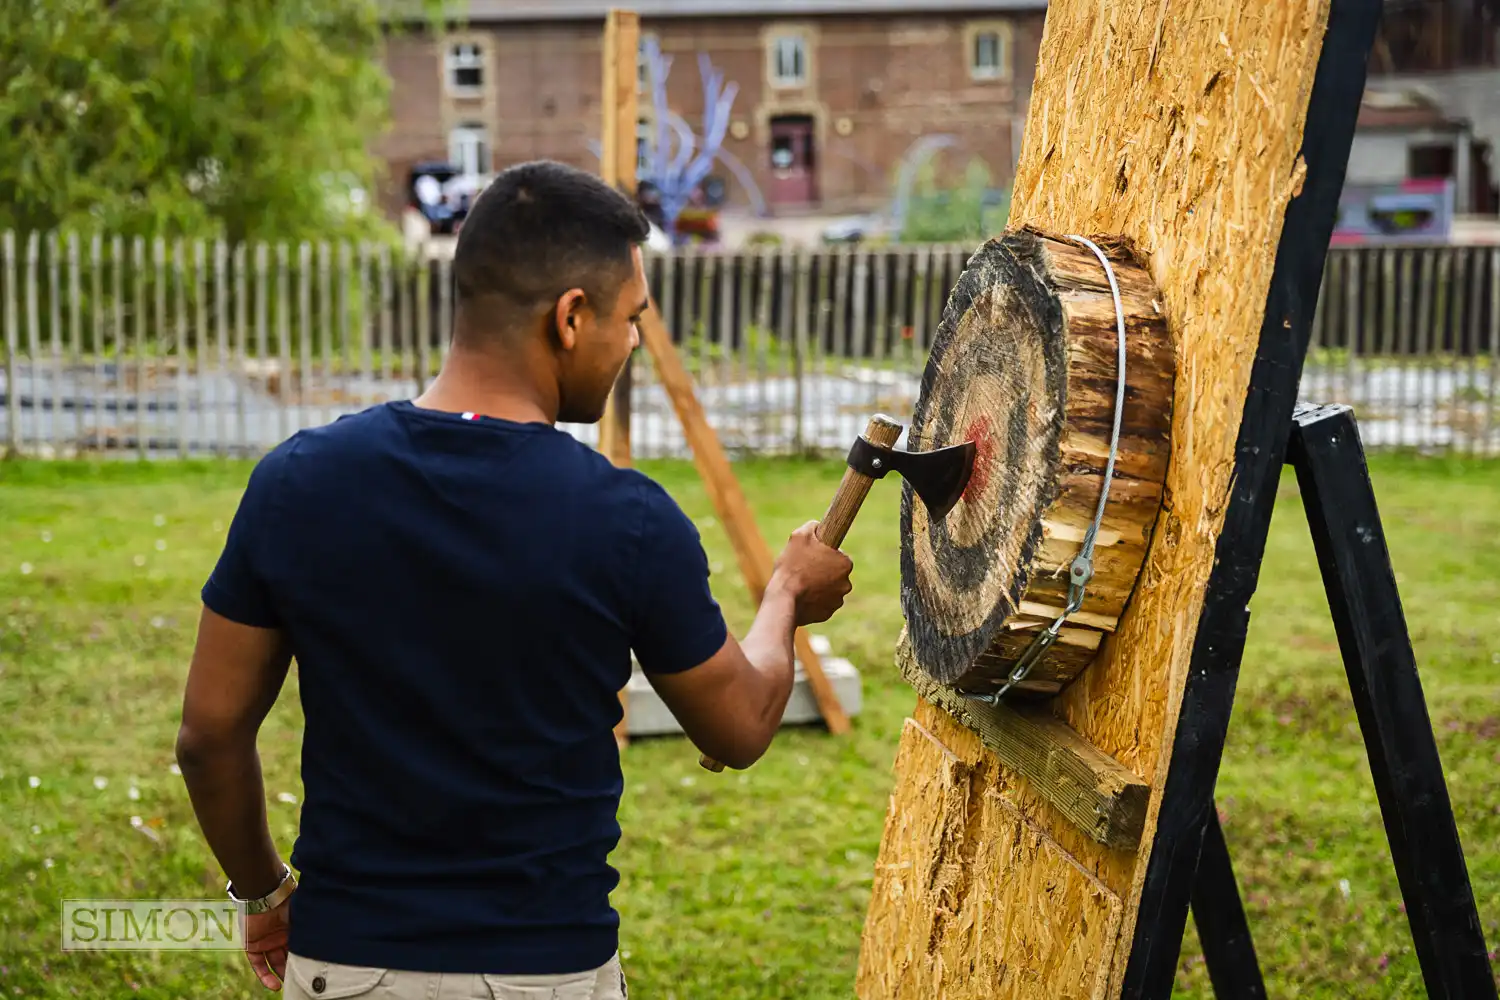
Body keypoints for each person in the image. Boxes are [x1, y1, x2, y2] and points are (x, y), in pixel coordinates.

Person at [173, 159, 854, 999]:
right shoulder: (626, 520)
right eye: (630, 318)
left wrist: (265, 891)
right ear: (571, 318)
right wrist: (787, 594)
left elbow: (207, 736)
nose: (634, 341)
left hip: (345, 965)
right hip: (547, 973)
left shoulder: (298, 481)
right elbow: (741, 727)